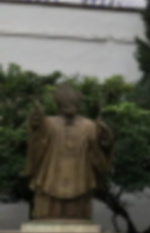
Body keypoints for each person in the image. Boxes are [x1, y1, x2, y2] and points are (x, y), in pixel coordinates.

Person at [24, 84, 113, 220]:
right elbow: (36, 141)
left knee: (78, 210)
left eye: (72, 105)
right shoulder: (48, 123)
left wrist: (106, 141)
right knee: (46, 209)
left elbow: (98, 149)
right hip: (52, 172)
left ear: (78, 106)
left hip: (80, 173)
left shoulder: (89, 125)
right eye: (64, 106)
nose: (68, 108)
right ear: (59, 106)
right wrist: (35, 125)